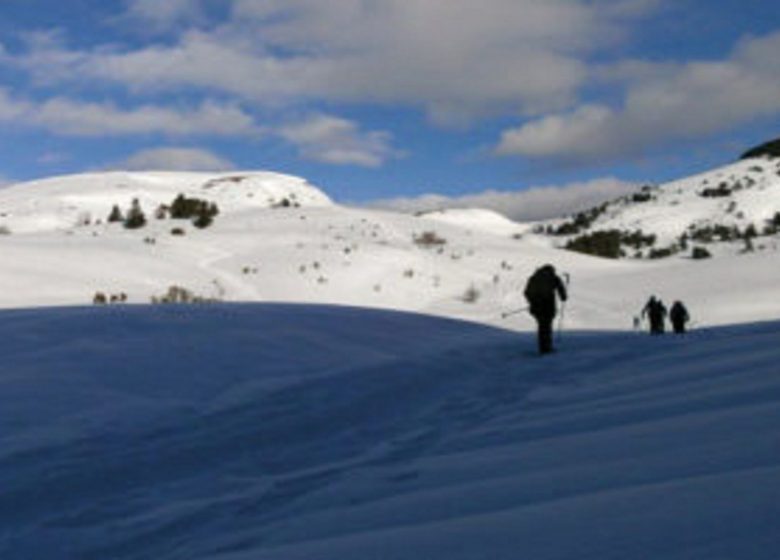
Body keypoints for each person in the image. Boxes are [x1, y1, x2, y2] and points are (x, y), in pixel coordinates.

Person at [524, 264, 568, 355]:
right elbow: (561, 289)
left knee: (541, 326)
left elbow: (526, 292)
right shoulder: (553, 277)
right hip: (548, 307)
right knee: (547, 327)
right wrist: (563, 297)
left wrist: (532, 302)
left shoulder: (534, 277)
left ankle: (543, 347)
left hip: (536, 308)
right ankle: (546, 348)